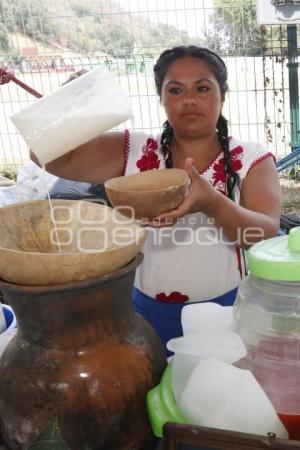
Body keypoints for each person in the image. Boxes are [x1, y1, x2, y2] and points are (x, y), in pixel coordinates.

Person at [31, 46, 281, 355]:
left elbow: (264, 235)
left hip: (224, 314)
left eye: (202, 88)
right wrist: (72, 101)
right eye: (175, 90)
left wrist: (212, 203)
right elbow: (48, 156)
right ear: (160, 98)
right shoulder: (135, 149)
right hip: (144, 314)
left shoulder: (252, 159)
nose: (189, 99)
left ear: (223, 94)